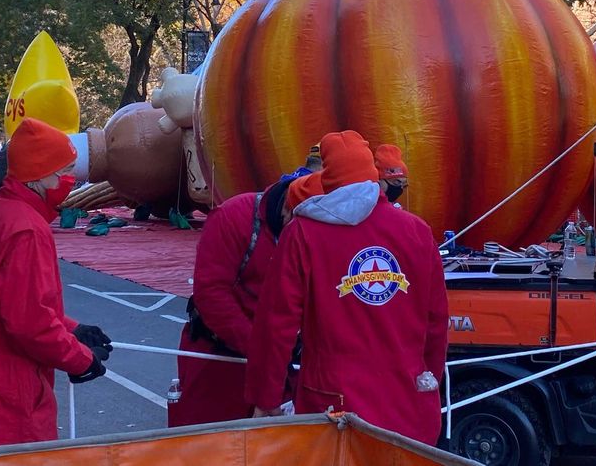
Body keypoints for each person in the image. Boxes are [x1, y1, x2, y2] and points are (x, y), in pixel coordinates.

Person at [245, 130, 448, 445]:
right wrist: (430, 376)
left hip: (332, 407)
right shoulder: (417, 232)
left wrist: (266, 397)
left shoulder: (302, 235)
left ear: (327, 179)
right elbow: (437, 319)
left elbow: (276, 324)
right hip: (407, 404)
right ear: (373, 176)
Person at [0, 118, 112, 450]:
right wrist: (80, 359)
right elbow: (30, 324)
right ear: (40, 176)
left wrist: (72, 328)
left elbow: (3, 301)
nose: (70, 181)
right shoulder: (26, 228)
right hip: (1, 394)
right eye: (65, 171)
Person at [167, 170, 324, 427]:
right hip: (220, 357)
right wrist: (263, 350)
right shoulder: (234, 217)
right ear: (288, 209)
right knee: (210, 442)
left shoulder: (318, 231)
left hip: (284, 362)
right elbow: (212, 295)